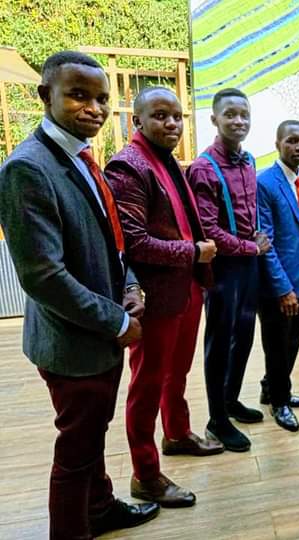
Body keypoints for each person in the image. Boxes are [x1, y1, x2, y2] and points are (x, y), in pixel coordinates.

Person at [0, 51, 159, 539]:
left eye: (102, 98)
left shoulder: (81, 156)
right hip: (73, 341)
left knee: (91, 437)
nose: (94, 108)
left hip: (99, 332)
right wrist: (117, 321)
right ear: (44, 96)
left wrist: (128, 285)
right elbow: (43, 276)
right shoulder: (27, 169)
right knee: (75, 452)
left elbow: (111, 239)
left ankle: (101, 508)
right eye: (78, 95)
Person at [105, 87, 223, 508]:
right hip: (154, 296)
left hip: (184, 287)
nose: (172, 124)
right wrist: (193, 252)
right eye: (160, 116)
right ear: (137, 121)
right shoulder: (128, 165)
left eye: (177, 116)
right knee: (147, 384)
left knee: (178, 371)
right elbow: (134, 243)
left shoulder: (166, 159)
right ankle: (145, 474)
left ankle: (176, 433)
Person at [187, 88, 270, 452]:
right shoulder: (205, 168)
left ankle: (230, 400)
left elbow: (247, 214)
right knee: (219, 342)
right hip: (222, 269)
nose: (239, 121)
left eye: (244, 115)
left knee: (245, 335)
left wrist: (256, 238)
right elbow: (208, 230)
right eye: (230, 114)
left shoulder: (248, 161)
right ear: (214, 119)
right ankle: (216, 419)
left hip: (248, 264)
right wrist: (251, 246)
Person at [257, 120, 299, 432]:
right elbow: (265, 243)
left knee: (292, 340)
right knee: (277, 345)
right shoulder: (265, 183)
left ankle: (272, 388)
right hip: (277, 285)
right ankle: (280, 403)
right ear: (277, 144)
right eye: (292, 141)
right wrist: (283, 289)